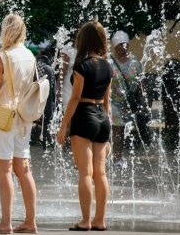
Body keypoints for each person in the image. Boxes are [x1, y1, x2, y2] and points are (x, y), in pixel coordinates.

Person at [0, 13, 38, 234]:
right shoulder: (30, 55)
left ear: (5, 32)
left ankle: (6, 223)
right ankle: (30, 222)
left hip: (3, 117)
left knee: (4, 170)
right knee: (24, 169)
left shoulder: (2, 58)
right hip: (23, 116)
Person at [57, 21, 112, 232]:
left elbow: (75, 98)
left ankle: (85, 221)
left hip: (84, 115)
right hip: (102, 117)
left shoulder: (82, 65)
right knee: (101, 174)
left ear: (83, 40)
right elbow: (107, 100)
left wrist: (63, 127)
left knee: (85, 173)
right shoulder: (107, 65)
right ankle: (100, 220)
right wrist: (105, 127)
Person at [109, 30, 148, 163]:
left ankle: (116, 155)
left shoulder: (134, 62)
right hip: (112, 100)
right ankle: (117, 158)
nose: (122, 49)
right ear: (114, 47)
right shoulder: (109, 62)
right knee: (117, 127)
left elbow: (141, 82)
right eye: (119, 46)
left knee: (124, 129)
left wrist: (143, 100)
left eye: (124, 46)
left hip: (129, 102)